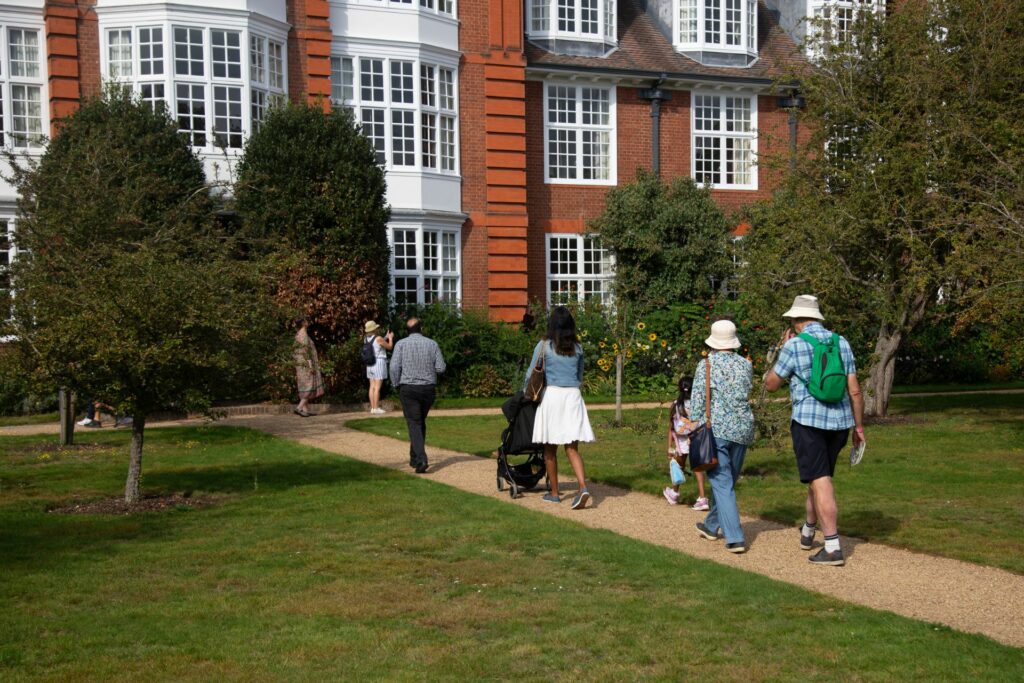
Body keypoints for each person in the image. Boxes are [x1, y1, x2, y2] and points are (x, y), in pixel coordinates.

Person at [764, 295, 865, 567]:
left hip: (808, 421)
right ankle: (808, 530)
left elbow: (771, 384)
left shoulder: (795, 345)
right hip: (840, 422)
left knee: (820, 479)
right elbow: (854, 389)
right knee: (820, 478)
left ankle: (832, 546)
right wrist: (859, 427)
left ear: (797, 321)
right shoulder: (840, 342)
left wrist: (778, 351)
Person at [692, 320, 755, 554]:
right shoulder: (745, 365)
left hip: (715, 429)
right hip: (742, 428)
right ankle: (710, 526)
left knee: (722, 483)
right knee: (727, 483)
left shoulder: (706, 365)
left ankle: (735, 537)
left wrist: (694, 425)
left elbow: (698, 400)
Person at [524, 305, 595, 510]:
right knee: (572, 448)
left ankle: (554, 493)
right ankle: (583, 487)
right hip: (573, 396)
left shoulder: (545, 346)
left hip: (553, 396)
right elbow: (580, 377)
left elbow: (531, 373)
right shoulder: (578, 347)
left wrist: (525, 392)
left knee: (550, 449)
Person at [389, 317, 446, 473]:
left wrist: (395, 384)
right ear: (421, 328)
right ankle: (414, 458)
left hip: (409, 388)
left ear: (407, 331)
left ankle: (421, 459)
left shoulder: (400, 344)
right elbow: (441, 368)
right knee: (419, 421)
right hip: (428, 389)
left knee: (414, 423)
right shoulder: (432, 344)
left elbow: (394, 367)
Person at [664, 375, 696, 505]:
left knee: (678, 467)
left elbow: (671, 426)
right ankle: (702, 496)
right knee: (698, 468)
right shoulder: (697, 404)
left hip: (680, 440)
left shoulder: (676, 405)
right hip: (695, 438)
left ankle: (674, 493)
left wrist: (669, 445)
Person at [293, 317, 324, 417]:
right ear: (303, 323)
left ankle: (305, 410)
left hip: (300, 364)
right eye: (306, 321)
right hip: (305, 364)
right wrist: (310, 365)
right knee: (309, 385)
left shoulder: (298, 334)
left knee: (304, 385)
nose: (308, 322)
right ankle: (299, 407)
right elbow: (306, 352)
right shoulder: (303, 335)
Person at [364, 320, 394, 414]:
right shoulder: (379, 338)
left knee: (371, 386)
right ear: (374, 329)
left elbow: (377, 343)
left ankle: (373, 408)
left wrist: (385, 337)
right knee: (377, 387)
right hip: (378, 363)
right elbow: (389, 347)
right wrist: (390, 338)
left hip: (369, 364)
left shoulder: (366, 338)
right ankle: (376, 407)